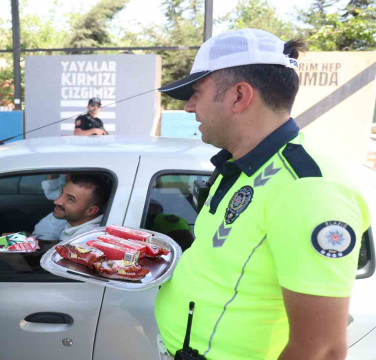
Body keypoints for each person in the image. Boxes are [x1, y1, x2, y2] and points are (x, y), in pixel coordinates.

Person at [154, 29, 370, 360]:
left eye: (196, 93)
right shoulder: (243, 166)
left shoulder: (307, 189)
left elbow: (322, 351)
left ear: (239, 95)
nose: (189, 107)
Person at [33, 173, 110, 241]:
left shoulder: (83, 240)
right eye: (61, 193)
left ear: (91, 210)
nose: (56, 201)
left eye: (71, 199)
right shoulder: (76, 225)